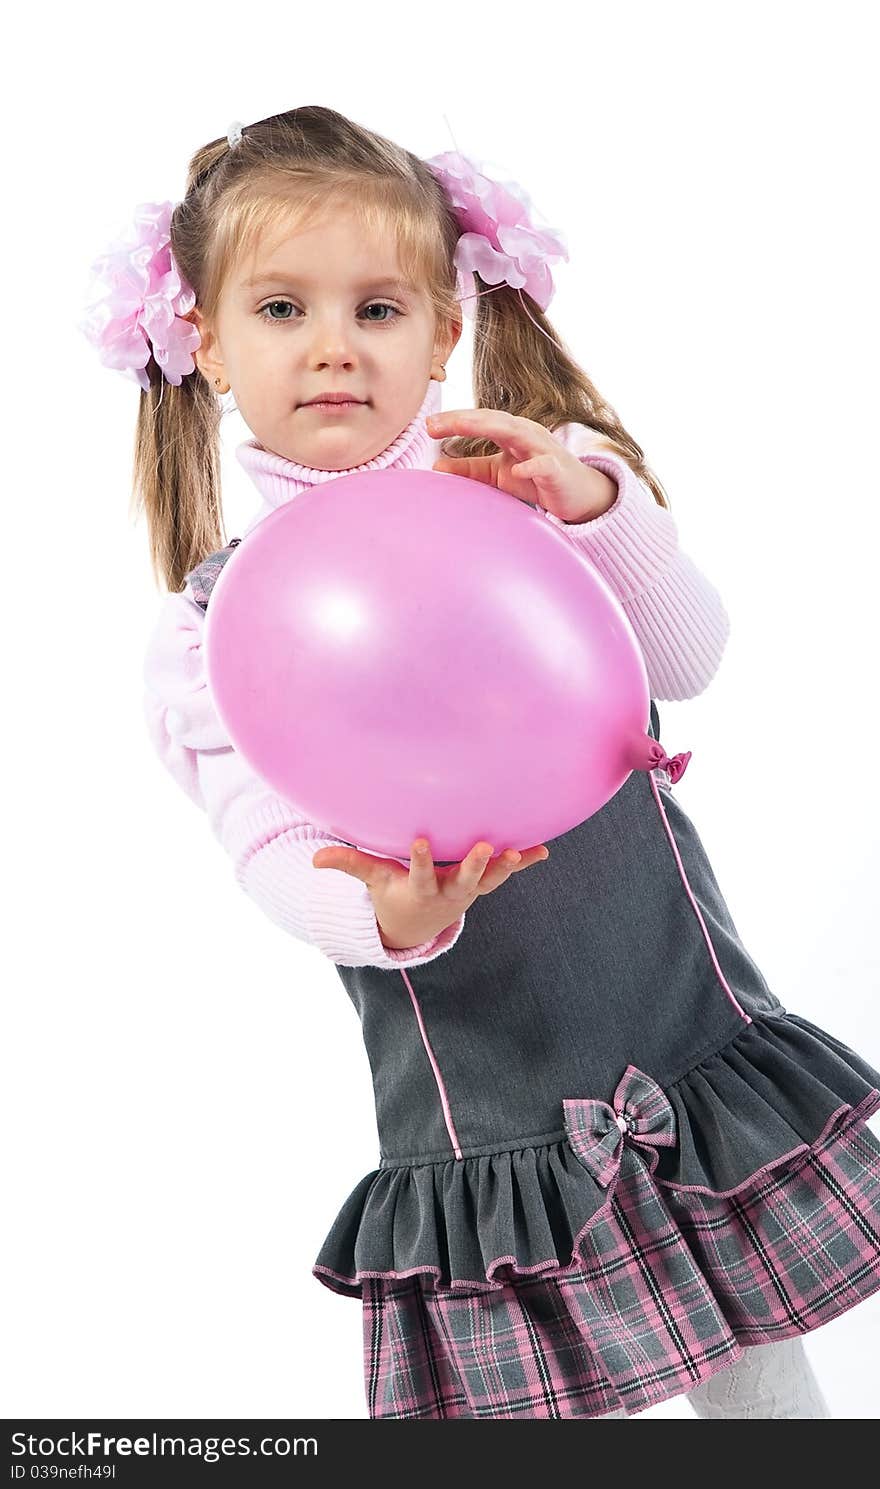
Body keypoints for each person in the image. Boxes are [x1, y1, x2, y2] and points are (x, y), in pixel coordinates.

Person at [81, 105, 880, 1420]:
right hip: (493, 1104)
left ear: (445, 328)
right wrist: (378, 912)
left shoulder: (535, 495)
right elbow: (269, 846)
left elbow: (688, 661)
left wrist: (607, 515)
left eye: (378, 309)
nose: (334, 346)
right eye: (283, 310)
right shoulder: (214, 628)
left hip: (682, 1026)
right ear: (211, 344)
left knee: (762, 1368)